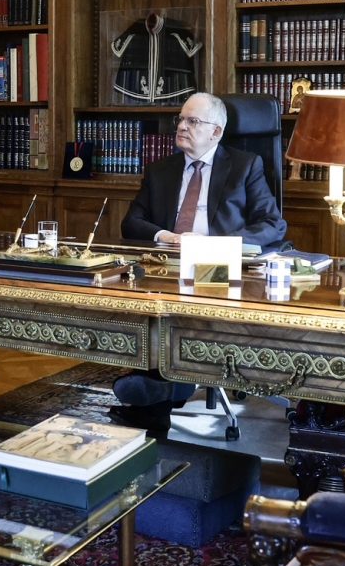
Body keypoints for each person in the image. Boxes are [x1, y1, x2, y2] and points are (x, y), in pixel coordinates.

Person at [114, 91, 289, 433]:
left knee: (189, 312)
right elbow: (131, 223)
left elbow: (272, 224)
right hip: (167, 265)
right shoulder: (161, 170)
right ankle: (161, 386)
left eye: (193, 121)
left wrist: (214, 245)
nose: (182, 126)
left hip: (217, 265)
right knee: (149, 310)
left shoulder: (245, 166)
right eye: (180, 119)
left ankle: (168, 388)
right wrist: (168, 236)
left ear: (216, 132)